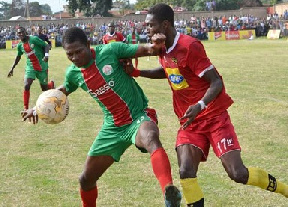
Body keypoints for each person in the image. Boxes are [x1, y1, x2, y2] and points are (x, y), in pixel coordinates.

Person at [126, 3, 288, 207]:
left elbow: (216, 81)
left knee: (238, 173)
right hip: (189, 121)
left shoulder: (190, 46)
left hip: (214, 117)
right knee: (185, 171)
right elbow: (170, 72)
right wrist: (137, 73)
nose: (147, 30)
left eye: (150, 25)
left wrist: (200, 105)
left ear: (165, 25)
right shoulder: (162, 48)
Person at [21, 27, 182, 207]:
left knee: (151, 137)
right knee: (86, 180)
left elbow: (147, 50)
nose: (74, 58)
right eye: (70, 54)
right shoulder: (74, 73)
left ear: (89, 45)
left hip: (137, 116)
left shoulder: (111, 51)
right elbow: (63, 90)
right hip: (112, 127)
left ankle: (169, 193)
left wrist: (156, 44)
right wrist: (37, 108)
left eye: (78, 52)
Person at [7, 27, 54, 110]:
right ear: (17, 35)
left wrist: (46, 56)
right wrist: (12, 68)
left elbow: (46, 45)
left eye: (22, 32)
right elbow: (18, 56)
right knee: (26, 85)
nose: (21, 34)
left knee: (44, 89)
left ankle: (51, 85)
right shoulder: (20, 45)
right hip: (30, 68)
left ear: (25, 32)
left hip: (42, 66)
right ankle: (25, 108)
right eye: (19, 33)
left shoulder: (34, 39)